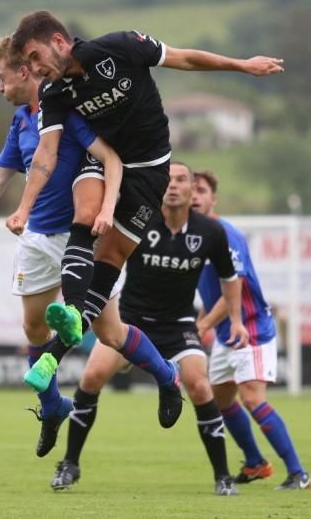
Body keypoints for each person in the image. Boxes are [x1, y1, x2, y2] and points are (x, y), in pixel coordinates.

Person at [9, 11, 280, 423]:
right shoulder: (54, 93)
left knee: (110, 262)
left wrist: (241, 65)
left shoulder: (120, 47)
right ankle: (67, 326)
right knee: (84, 215)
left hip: (149, 170)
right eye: (27, 65)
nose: (35, 69)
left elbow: (185, 58)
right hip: (105, 164)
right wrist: (24, 208)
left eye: (35, 55)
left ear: (59, 41)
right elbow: (45, 155)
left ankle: (63, 350)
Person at [0, 35, 124, 457]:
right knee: (32, 327)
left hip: (79, 237)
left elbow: (107, 155)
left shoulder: (69, 109)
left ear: (24, 71)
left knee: (110, 333)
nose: (0, 89)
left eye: (1, 79)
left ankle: (166, 376)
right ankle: (52, 406)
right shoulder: (21, 121)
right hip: (38, 237)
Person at [49, 162, 247, 496]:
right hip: (131, 320)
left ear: (192, 189)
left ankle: (223, 476)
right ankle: (70, 464)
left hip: (179, 324)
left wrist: (236, 320)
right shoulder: (138, 219)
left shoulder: (211, 232)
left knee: (199, 386)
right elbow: (107, 256)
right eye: (167, 179)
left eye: (181, 180)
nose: (172, 185)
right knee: (91, 377)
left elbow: (230, 279)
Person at [191, 169, 311, 491]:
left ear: (213, 198)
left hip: (250, 328)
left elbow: (234, 289)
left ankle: (299, 473)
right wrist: (202, 322)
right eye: (190, 190)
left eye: (201, 190)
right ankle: (256, 463)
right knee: (222, 400)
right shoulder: (194, 236)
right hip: (225, 333)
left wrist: (201, 324)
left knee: (253, 399)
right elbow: (213, 293)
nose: (194, 196)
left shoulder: (225, 234)